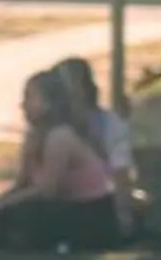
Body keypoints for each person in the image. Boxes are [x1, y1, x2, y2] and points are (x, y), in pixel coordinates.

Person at [0, 67, 122, 254]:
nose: (23, 105)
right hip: (63, 208)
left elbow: (47, 191)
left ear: (49, 103)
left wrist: (4, 206)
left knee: (25, 214)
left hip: (89, 213)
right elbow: (22, 184)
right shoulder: (33, 136)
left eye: (29, 97)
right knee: (1, 217)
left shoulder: (60, 136)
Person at [56, 53, 142, 237]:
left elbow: (121, 171)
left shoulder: (109, 124)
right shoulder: (54, 130)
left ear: (86, 88)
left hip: (100, 199)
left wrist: (123, 213)